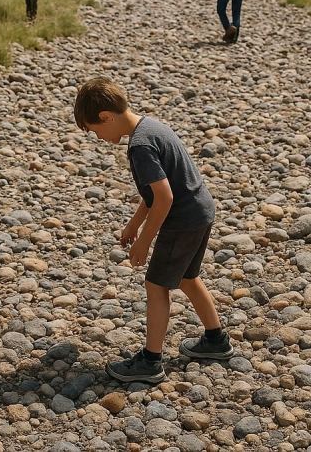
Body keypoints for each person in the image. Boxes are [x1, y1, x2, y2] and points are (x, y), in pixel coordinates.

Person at [74, 77, 233, 384]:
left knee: (155, 286)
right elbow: (155, 193)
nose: (99, 137)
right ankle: (216, 340)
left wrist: (144, 242)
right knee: (187, 278)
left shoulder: (140, 146)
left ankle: (150, 362)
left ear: (106, 117)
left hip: (182, 220)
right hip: (200, 211)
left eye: (95, 131)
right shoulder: (151, 127)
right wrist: (134, 224)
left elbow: (164, 198)